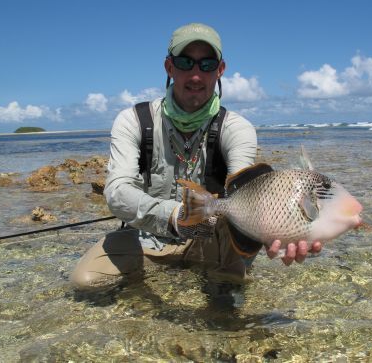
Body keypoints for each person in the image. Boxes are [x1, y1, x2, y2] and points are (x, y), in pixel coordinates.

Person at [71, 23, 322, 289]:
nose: (195, 75)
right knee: (85, 282)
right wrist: (176, 217)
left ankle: (223, 295)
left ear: (220, 70)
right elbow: (117, 192)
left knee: (227, 296)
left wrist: (284, 230)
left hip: (212, 241)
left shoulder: (237, 128)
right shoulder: (133, 121)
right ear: (169, 67)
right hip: (145, 238)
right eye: (185, 63)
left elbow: (248, 193)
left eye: (206, 64)